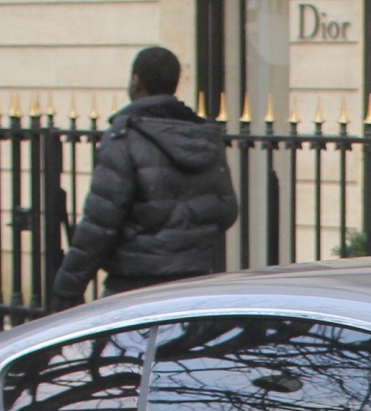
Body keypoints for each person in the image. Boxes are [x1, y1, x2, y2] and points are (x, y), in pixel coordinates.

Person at [48, 46, 238, 310]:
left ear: (135, 82)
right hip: (195, 285)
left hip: (134, 288)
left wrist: (67, 290)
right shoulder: (203, 137)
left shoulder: (124, 137)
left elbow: (99, 225)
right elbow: (227, 211)